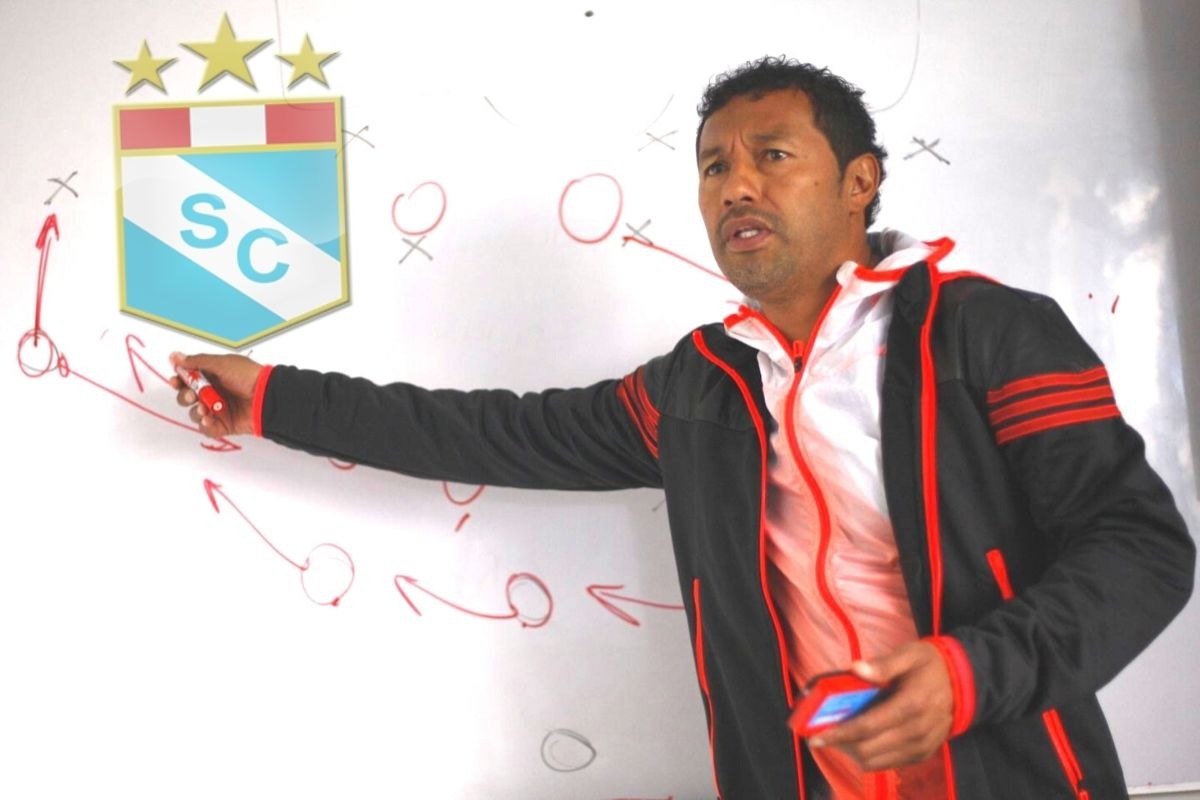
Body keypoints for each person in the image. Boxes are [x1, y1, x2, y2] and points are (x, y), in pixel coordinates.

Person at [171, 57, 1194, 800]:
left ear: (860, 180)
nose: (736, 184)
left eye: (772, 155)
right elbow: (487, 432)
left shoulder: (989, 333)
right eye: (712, 167)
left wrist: (971, 673)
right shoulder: (700, 386)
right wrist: (271, 397)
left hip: (1010, 771)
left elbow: (1142, 546)